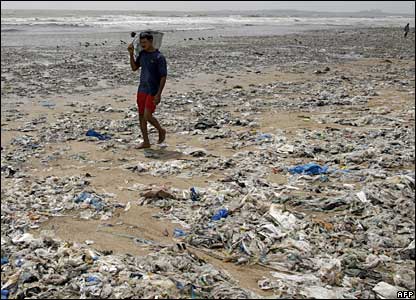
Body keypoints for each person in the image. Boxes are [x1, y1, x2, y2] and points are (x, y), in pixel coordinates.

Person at [128, 31, 167, 149]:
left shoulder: (159, 57)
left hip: (153, 90)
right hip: (142, 88)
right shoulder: (143, 54)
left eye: (145, 42)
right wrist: (131, 54)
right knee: (141, 115)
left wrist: (159, 94)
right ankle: (146, 142)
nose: (143, 44)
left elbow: (163, 77)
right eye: (141, 42)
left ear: (151, 41)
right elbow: (134, 68)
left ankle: (161, 130)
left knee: (147, 116)